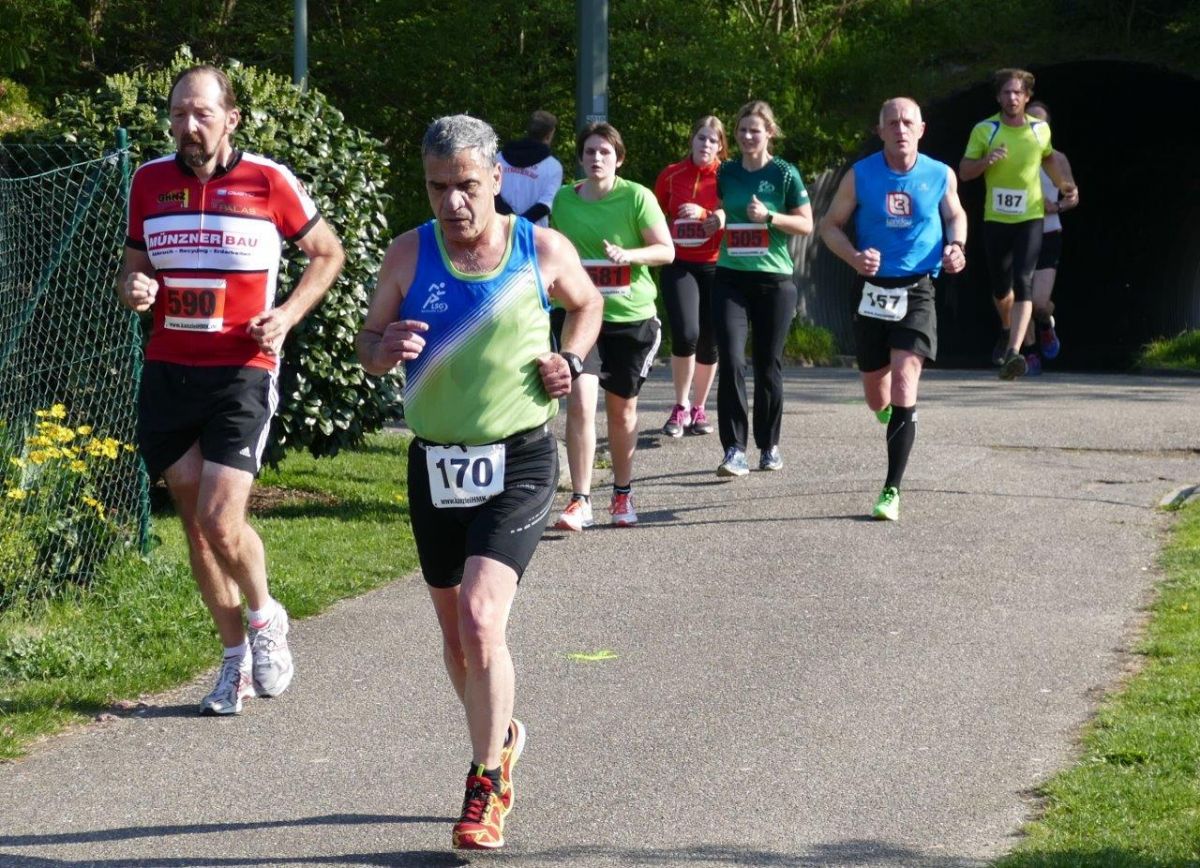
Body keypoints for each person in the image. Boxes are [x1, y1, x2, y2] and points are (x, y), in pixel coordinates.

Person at [356, 115, 601, 850]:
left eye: (465, 185)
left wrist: (569, 359)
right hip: (434, 463)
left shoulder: (539, 248)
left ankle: (485, 783)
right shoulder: (408, 253)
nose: (452, 203)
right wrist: (383, 347)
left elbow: (587, 303)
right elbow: (368, 343)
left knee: (480, 616)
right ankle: (503, 733)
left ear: (497, 178)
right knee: (457, 643)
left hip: (518, 458)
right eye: (438, 188)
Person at [117, 65, 345, 715]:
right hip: (169, 369)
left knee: (221, 517)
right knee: (196, 525)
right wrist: (135, 289)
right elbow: (132, 271)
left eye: (202, 114)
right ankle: (233, 661)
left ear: (231, 118)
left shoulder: (268, 180)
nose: (189, 126)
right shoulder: (148, 181)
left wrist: (287, 315)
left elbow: (327, 252)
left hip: (243, 369)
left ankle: (266, 615)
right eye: (179, 114)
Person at [819, 97, 968, 521]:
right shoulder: (860, 175)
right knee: (876, 394)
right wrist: (854, 257)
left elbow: (955, 216)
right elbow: (829, 226)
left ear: (921, 129)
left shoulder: (939, 174)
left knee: (904, 378)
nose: (900, 129)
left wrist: (956, 246)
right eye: (892, 123)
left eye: (907, 122)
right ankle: (889, 413)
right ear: (880, 130)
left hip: (918, 287)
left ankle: (891, 490)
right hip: (871, 289)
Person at [550, 121, 674, 529]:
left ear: (618, 159)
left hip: (630, 318)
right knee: (580, 401)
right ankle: (580, 500)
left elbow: (667, 251)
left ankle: (622, 494)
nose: (596, 158)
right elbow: (554, 251)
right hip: (580, 315)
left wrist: (629, 255)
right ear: (581, 158)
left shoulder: (637, 197)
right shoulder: (564, 200)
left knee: (621, 413)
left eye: (605, 152)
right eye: (590, 151)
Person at [702, 100, 813, 476]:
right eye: (742, 130)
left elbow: (806, 224)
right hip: (730, 275)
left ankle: (769, 445)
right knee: (732, 359)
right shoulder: (727, 171)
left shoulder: (784, 173)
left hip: (773, 280)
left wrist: (770, 217)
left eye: (755, 130)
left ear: (769, 133)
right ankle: (734, 449)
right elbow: (725, 207)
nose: (748, 136)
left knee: (768, 365)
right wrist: (716, 219)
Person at [959, 68, 1079, 380]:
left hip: (1031, 217)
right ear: (998, 97)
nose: (1012, 98)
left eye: (1018, 93)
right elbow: (965, 171)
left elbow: (1048, 158)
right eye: (1007, 92)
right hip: (996, 219)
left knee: (1023, 280)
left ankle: (1015, 352)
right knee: (1002, 288)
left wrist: (1063, 184)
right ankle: (1006, 327)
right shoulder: (985, 130)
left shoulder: (1039, 130)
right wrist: (986, 161)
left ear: (1027, 97)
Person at [653, 116, 727, 438]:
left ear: (721, 146)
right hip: (680, 263)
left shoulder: (728, 176)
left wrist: (709, 215)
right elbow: (653, 214)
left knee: (710, 339)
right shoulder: (671, 174)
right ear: (692, 140)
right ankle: (680, 406)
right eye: (701, 138)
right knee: (686, 333)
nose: (706, 145)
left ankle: (699, 407)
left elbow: (738, 212)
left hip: (716, 265)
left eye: (713, 140)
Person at [1023, 100, 1075, 374]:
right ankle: (1030, 353)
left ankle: (1045, 324)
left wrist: (1057, 206)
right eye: (1030, 123)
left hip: (1048, 234)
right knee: (1020, 298)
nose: (1034, 129)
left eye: (1040, 124)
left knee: (1039, 303)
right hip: (1018, 233)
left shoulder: (1058, 159)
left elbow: (1072, 196)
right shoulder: (1013, 154)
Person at [495, 110, 563, 228]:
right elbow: (545, 205)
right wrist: (520, 225)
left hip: (500, 227)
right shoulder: (553, 166)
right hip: (535, 233)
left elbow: (492, 192)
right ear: (550, 134)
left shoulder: (499, 157)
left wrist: (510, 221)